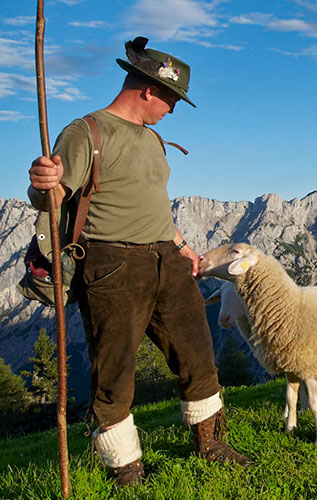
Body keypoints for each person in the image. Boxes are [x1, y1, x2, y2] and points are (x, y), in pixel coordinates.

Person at [27, 37, 249, 486]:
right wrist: (40, 181)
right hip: (111, 264)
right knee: (115, 367)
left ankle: (211, 444)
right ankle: (124, 469)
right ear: (148, 89)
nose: (174, 108)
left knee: (196, 350)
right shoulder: (85, 132)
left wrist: (182, 245)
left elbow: (154, 203)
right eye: (172, 98)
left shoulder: (153, 140)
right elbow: (51, 196)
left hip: (165, 258)